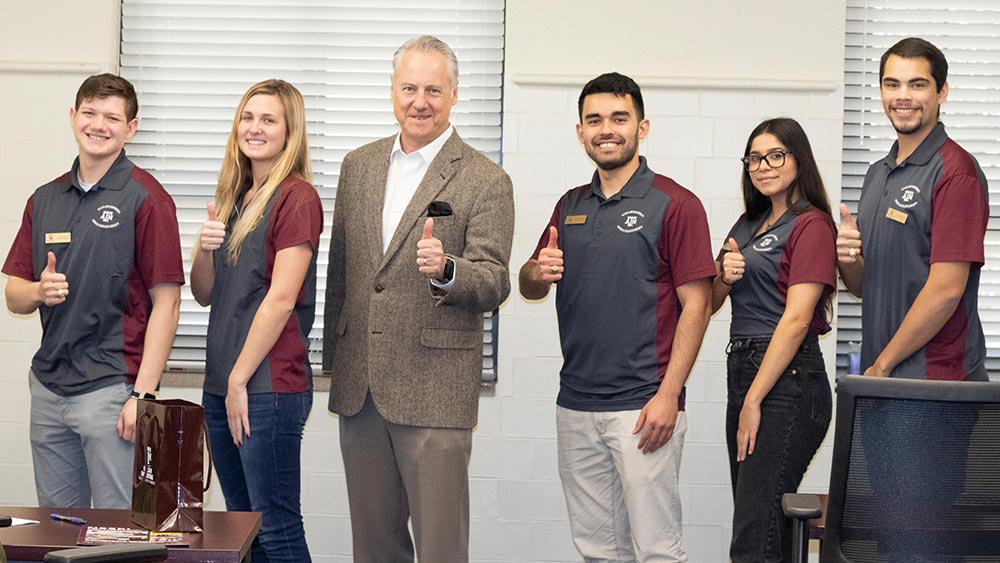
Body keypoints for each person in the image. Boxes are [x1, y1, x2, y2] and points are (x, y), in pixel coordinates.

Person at [322, 35, 514, 563]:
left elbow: (496, 280)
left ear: (454, 94)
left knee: (440, 548)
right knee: (374, 545)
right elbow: (342, 271)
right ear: (392, 91)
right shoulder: (357, 166)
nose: (420, 101)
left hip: (435, 388)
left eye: (433, 88)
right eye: (409, 87)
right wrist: (335, 367)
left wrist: (449, 270)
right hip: (362, 388)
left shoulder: (486, 178)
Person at [519, 72, 714, 562]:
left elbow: (699, 305)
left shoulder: (677, 204)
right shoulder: (569, 206)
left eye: (619, 118)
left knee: (657, 551)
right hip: (576, 404)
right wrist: (537, 271)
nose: (607, 129)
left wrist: (668, 396)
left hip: (643, 409)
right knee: (597, 550)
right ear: (581, 132)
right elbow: (528, 282)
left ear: (642, 127)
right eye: (595, 120)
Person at [2, 73, 183, 509]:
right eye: (90, 113)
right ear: (73, 116)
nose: (99, 125)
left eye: (112, 117)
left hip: (112, 393)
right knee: (58, 531)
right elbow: (14, 294)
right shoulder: (44, 199)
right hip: (48, 389)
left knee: (117, 534)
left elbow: (168, 303)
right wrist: (38, 291)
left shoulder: (148, 199)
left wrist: (143, 395)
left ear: (131, 128)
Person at [191, 79, 321, 563]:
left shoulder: (297, 198)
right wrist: (204, 248)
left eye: (268, 119)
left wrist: (239, 380)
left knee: (277, 528)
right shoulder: (235, 196)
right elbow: (205, 293)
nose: (254, 128)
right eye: (248, 117)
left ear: (290, 132)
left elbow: (282, 298)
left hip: (265, 388)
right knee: (242, 529)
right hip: (224, 385)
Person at [712, 118, 835, 562]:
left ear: (798, 159)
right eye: (754, 158)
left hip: (788, 381)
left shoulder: (813, 225)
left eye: (775, 155)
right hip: (744, 369)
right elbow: (707, 303)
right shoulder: (747, 225)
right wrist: (723, 277)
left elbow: (798, 319)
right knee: (764, 527)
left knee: (753, 537)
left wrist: (754, 400)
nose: (762, 166)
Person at [837, 37, 988, 380]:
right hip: (885, 377)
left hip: (937, 382)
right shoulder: (878, 173)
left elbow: (947, 288)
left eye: (917, 84)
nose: (902, 96)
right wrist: (848, 259)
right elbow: (864, 286)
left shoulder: (956, 172)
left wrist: (883, 365)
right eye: (892, 84)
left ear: (942, 92)